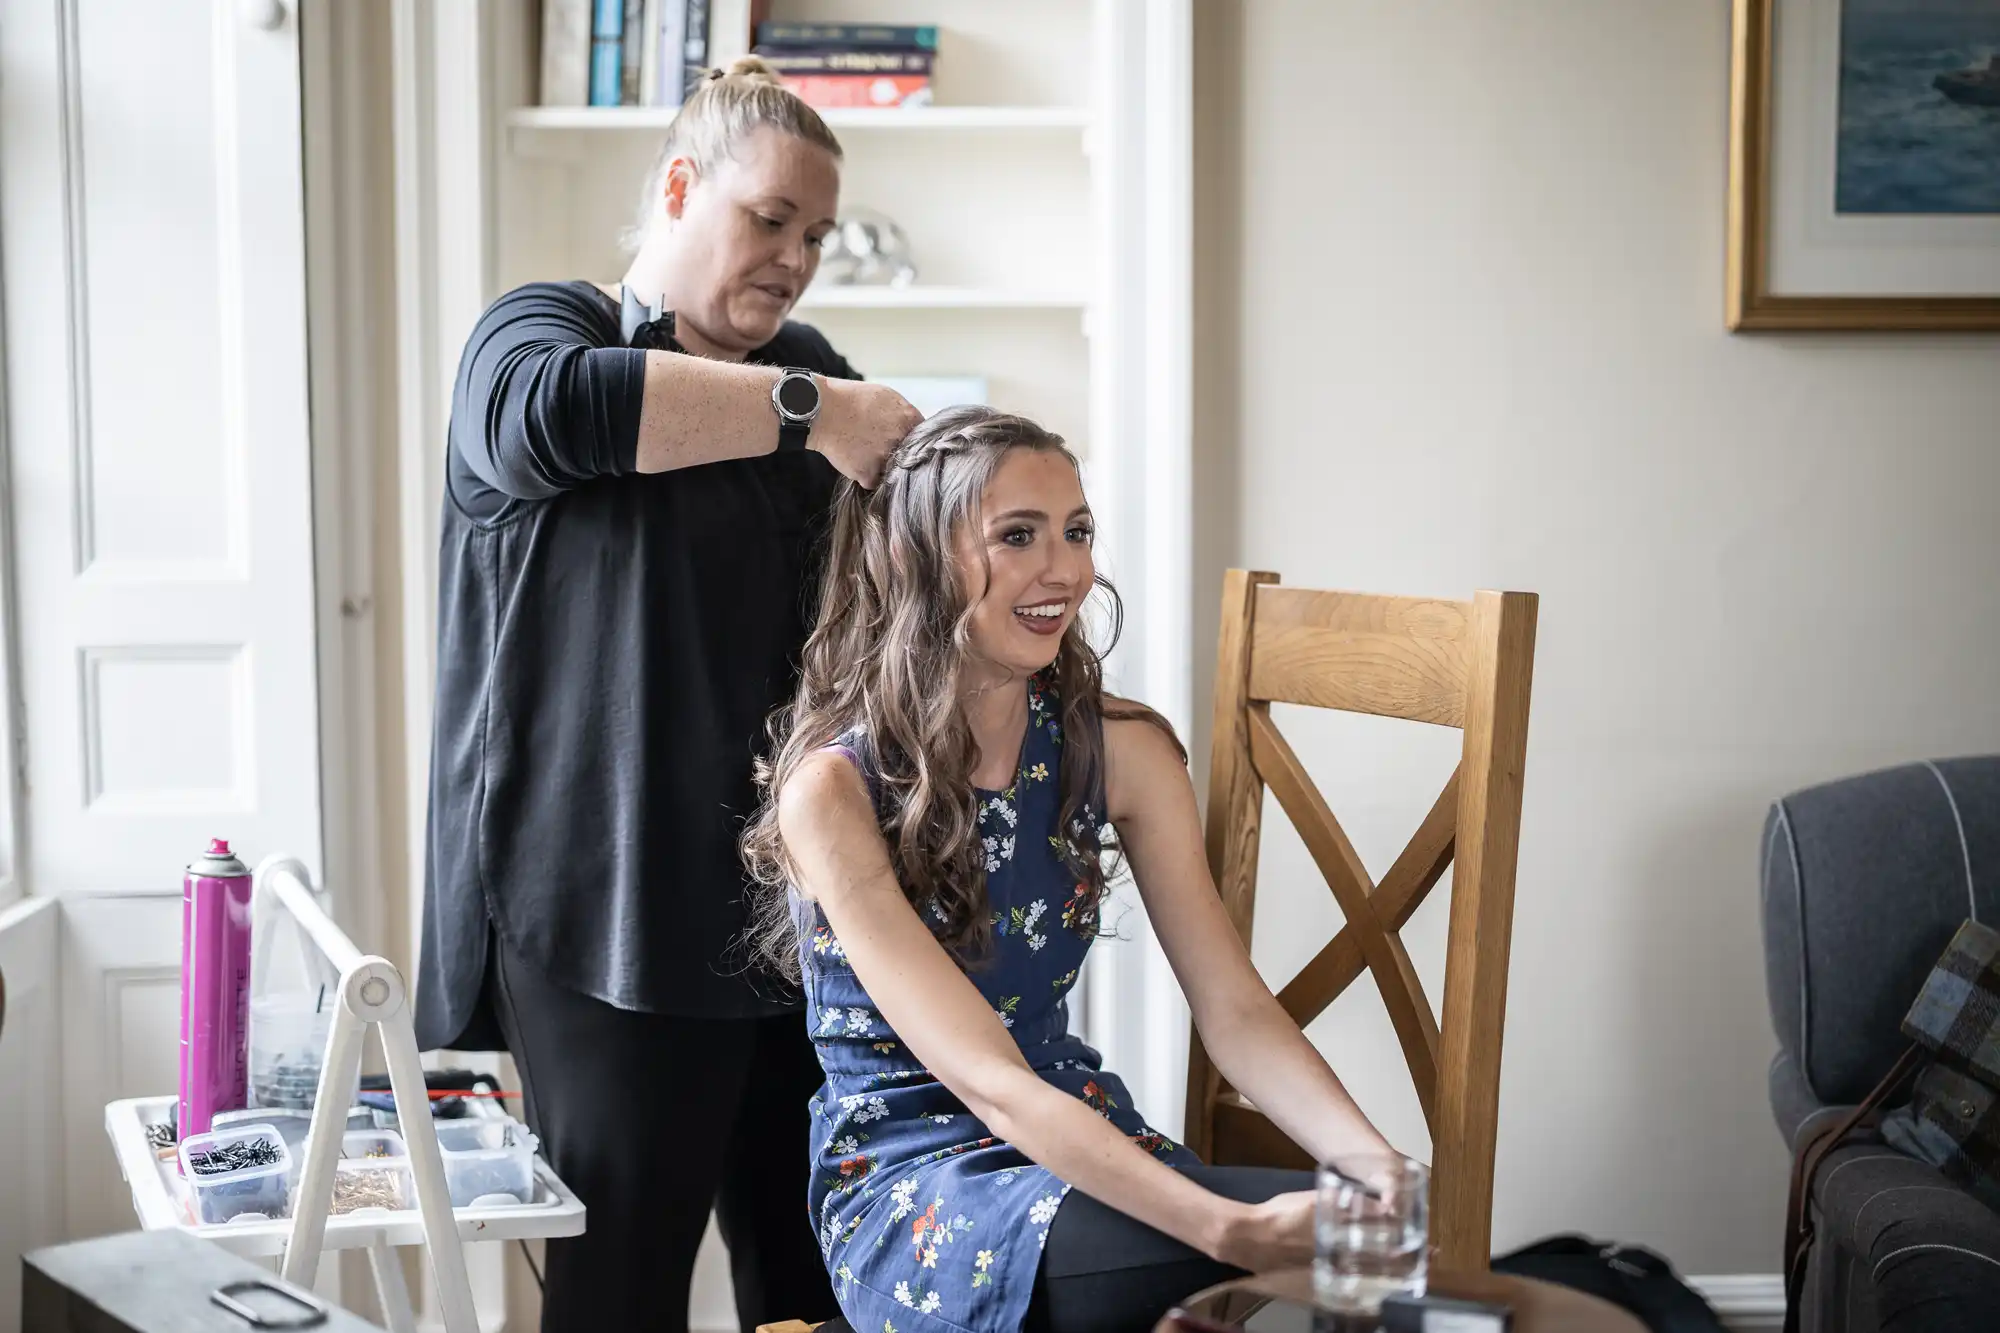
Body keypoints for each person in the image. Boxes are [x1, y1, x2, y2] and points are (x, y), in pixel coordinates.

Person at [414, 58, 923, 1333]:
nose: (796, 260)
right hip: (602, 913)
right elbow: (551, 418)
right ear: (680, 188)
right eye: (770, 221)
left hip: (795, 910)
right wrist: (821, 408)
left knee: (812, 1275)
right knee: (620, 1287)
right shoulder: (540, 333)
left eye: (814, 235)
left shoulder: (806, 366)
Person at [740, 407, 1404, 1333]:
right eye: (1018, 536)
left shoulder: (1120, 750)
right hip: (914, 1181)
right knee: (1226, 1260)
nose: (1064, 571)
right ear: (911, 559)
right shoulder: (835, 792)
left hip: (1084, 1133)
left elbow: (1235, 1009)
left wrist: (1380, 1171)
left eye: (1077, 531)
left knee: (1370, 1247)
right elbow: (986, 1079)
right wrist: (1229, 1226)